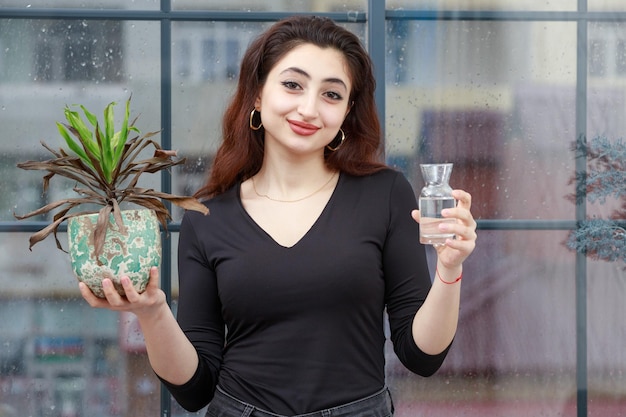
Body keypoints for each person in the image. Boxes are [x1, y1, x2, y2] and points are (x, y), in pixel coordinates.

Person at [80, 15, 477, 417]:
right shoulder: (208, 213)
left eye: (332, 94)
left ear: (346, 112)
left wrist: (450, 268)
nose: (309, 108)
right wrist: (151, 313)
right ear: (257, 94)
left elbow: (420, 356)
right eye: (292, 85)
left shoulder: (386, 193)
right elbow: (195, 389)